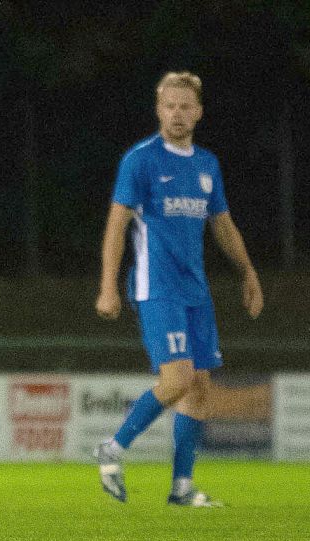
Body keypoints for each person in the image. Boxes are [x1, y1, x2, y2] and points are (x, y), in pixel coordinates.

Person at [93, 71, 264, 507]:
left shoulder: (207, 164)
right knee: (178, 378)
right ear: (158, 109)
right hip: (157, 287)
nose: (177, 113)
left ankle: (181, 489)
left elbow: (222, 225)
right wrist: (108, 285)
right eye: (170, 105)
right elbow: (116, 225)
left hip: (196, 291)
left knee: (200, 387)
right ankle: (112, 447)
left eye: (186, 106)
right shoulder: (141, 160)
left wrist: (248, 272)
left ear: (199, 112)